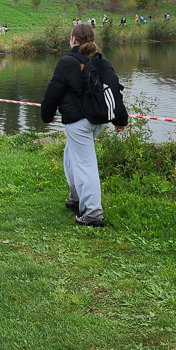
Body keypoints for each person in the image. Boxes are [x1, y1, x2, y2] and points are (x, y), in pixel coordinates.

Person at [39, 23, 128, 227]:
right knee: (71, 156)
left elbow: (53, 92)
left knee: (84, 165)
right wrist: (120, 119)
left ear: (73, 40)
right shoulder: (102, 61)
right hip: (98, 121)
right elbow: (115, 90)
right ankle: (76, 198)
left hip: (79, 122)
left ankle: (93, 214)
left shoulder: (66, 62)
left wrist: (47, 114)